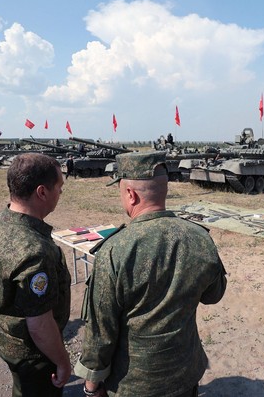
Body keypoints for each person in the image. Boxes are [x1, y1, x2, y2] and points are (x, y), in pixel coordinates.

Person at [75, 151, 227, 397]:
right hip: (184, 375)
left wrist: (91, 385)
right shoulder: (200, 238)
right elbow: (214, 295)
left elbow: (101, 331)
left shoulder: (115, 250)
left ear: (130, 195)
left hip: (134, 384)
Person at [0, 153, 71, 397]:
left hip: (9, 340)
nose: (61, 193)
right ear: (42, 192)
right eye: (59, 187)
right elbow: (40, 325)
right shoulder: (34, 250)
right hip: (34, 354)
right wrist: (62, 362)